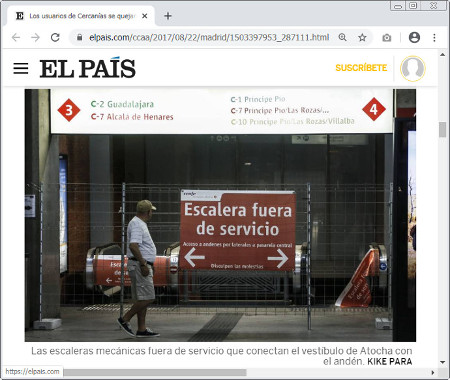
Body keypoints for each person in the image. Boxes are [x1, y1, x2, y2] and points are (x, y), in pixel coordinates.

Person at [117, 200, 160, 338]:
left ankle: (141, 329)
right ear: (148, 212)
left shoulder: (138, 223)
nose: (152, 213)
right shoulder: (137, 224)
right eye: (151, 211)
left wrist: (149, 263)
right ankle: (125, 319)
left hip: (141, 264)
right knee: (149, 297)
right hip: (139, 265)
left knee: (143, 297)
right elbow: (133, 246)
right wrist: (143, 264)